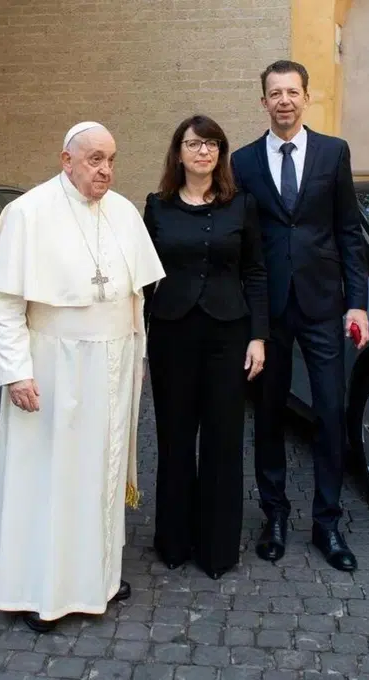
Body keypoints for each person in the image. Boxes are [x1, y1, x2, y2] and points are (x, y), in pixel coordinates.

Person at [0, 121, 165, 632]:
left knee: (102, 472)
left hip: (113, 364)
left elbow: (136, 300)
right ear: (67, 160)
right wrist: (16, 372)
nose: (105, 170)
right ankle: (42, 592)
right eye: (94, 159)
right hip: (52, 366)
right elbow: (4, 304)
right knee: (51, 478)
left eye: (111, 160)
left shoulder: (123, 212)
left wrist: (138, 359)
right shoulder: (28, 212)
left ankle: (98, 578)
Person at [230, 60, 369, 572]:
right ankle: (275, 516)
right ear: (263, 101)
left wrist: (357, 302)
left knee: (330, 412)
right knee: (268, 415)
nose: (284, 101)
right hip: (267, 310)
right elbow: (243, 241)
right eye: (275, 93)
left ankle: (327, 523)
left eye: (292, 92)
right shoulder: (243, 161)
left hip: (323, 305)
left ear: (306, 97)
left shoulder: (334, 153)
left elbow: (348, 230)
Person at [142, 115, 267, 580]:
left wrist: (259, 336)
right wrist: (135, 338)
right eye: (194, 144)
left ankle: (217, 549)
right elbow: (142, 279)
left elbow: (255, 272)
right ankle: (173, 541)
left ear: (221, 153)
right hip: (171, 334)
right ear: (178, 152)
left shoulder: (242, 205)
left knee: (223, 440)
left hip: (228, 335)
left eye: (212, 144)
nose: (204, 152)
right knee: (175, 439)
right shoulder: (157, 207)